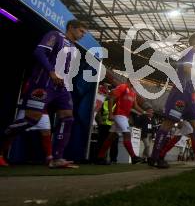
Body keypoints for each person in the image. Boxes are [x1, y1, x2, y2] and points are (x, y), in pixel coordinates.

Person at [0, 19, 87, 168]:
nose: (83, 35)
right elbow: (39, 52)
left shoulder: (74, 47)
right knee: (30, 120)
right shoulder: (55, 35)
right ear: (71, 28)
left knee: (68, 118)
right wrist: (51, 71)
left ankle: (57, 158)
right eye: (81, 31)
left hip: (61, 87)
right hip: (43, 83)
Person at [148, 34, 195, 168]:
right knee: (168, 124)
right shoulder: (190, 50)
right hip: (181, 94)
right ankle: (154, 158)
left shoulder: (194, 54)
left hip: (188, 95)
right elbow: (186, 69)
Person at [95, 80, 145, 165]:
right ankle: (133, 157)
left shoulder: (133, 93)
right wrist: (110, 114)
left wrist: (144, 113)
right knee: (127, 134)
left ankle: (100, 157)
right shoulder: (123, 87)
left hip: (124, 117)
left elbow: (135, 106)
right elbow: (111, 99)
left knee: (111, 138)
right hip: (119, 115)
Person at [95, 98, 119, 164]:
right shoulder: (105, 103)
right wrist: (100, 123)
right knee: (102, 143)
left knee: (114, 144)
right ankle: (100, 159)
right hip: (104, 126)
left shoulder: (118, 105)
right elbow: (98, 114)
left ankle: (113, 160)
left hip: (113, 127)